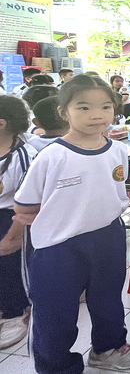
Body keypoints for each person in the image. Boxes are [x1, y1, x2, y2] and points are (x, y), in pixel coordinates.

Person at [14, 74, 130, 371]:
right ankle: (57, 366)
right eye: (84, 107)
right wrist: (59, 217)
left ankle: (108, 348)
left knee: (108, 299)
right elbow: (24, 205)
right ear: (64, 112)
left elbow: (113, 188)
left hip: (109, 236)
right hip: (60, 246)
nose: (97, 115)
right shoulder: (51, 156)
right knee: (55, 313)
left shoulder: (118, 150)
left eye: (105, 107)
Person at [0, 96, 36, 349]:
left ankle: (16, 311)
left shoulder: (25, 155)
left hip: (14, 216)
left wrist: (14, 235)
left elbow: (30, 202)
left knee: (10, 264)